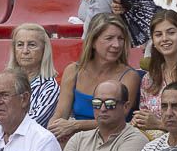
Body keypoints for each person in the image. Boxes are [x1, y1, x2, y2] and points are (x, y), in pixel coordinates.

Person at [50, 14, 141, 144]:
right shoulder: (73, 70)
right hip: (75, 140)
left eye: (121, 39)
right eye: (109, 38)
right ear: (93, 41)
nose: (116, 45)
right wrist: (53, 129)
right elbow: (60, 114)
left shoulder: (129, 76)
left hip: (112, 139)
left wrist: (75, 125)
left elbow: (118, 120)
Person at [0, 24, 60, 135]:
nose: (25, 50)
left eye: (32, 45)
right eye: (20, 45)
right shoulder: (1, 82)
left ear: (44, 50)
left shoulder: (50, 87)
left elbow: (32, 125)